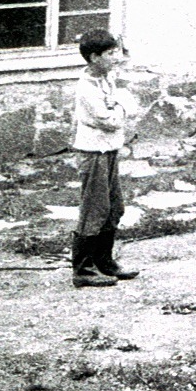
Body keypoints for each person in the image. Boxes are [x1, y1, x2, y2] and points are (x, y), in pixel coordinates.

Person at [70, 28, 141, 287]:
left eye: (116, 51)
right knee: (95, 210)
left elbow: (118, 109)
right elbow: (110, 120)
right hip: (93, 153)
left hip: (108, 149)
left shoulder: (106, 78)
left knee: (114, 207)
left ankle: (104, 261)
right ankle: (83, 269)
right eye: (110, 53)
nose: (116, 57)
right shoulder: (86, 88)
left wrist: (118, 106)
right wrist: (121, 106)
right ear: (93, 58)